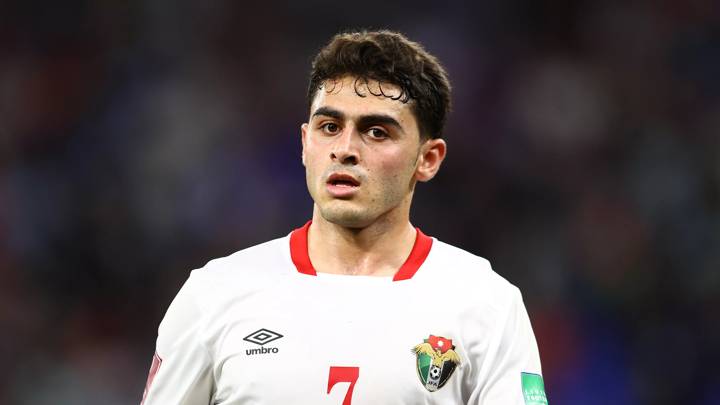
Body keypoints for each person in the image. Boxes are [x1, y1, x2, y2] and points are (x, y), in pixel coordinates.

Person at [140, 30, 548, 405]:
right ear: (304, 143)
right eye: (330, 126)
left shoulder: (486, 303)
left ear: (428, 158)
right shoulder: (214, 296)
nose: (346, 149)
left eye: (376, 132)